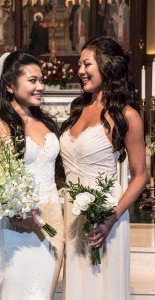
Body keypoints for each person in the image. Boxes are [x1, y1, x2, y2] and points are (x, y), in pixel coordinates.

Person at [60, 36, 147, 300]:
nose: (80, 71)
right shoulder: (78, 109)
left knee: (102, 289)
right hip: (72, 216)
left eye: (86, 64)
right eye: (79, 65)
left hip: (106, 219)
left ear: (106, 66)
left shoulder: (127, 116)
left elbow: (141, 176)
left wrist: (110, 219)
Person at [0, 51, 64, 299]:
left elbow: (55, 173)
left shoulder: (46, 122)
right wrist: (14, 212)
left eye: (42, 80)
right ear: (11, 86)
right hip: (16, 227)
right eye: (33, 81)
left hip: (53, 223)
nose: (40, 87)